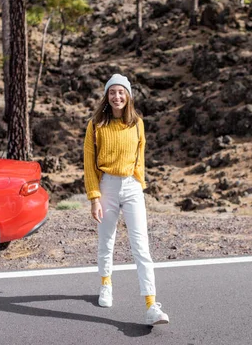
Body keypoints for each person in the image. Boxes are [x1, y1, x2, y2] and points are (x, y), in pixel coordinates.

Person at [83, 73, 169, 326]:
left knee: (141, 246)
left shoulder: (137, 123)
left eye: (121, 92)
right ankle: (106, 284)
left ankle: (151, 305)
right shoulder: (96, 124)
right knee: (106, 241)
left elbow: (140, 155)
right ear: (106, 96)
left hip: (132, 187)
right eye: (112, 92)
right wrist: (94, 197)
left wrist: (139, 182)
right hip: (106, 185)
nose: (117, 96)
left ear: (128, 96)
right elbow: (89, 163)